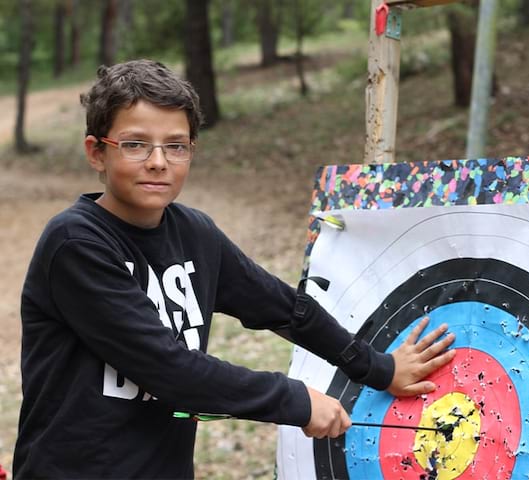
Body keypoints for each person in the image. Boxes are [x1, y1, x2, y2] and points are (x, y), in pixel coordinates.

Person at [13, 59, 456, 479]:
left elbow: (285, 308)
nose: (158, 161)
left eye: (176, 146)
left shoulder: (194, 233)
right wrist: (296, 399)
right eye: (134, 144)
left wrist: (376, 368)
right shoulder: (76, 244)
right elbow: (171, 370)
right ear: (96, 152)